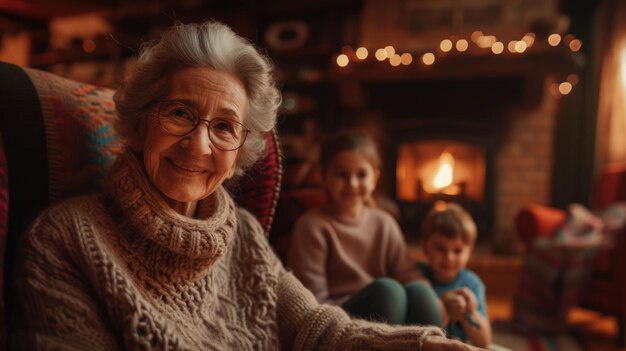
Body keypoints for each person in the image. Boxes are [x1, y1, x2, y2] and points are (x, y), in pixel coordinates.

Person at [9, 21, 485, 350]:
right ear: (138, 124)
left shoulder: (243, 233)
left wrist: (424, 345)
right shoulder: (65, 241)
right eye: (179, 113)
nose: (199, 146)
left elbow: (314, 328)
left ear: (240, 149)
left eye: (224, 127)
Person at [287, 130, 448, 328]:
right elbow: (310, 299)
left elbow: (406, 271)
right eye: (341, 175)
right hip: (337, 323)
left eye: (361, 174)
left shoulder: (384, 223)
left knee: (420, 291)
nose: (352, 183)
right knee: (389, 291)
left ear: (374, 178)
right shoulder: (312, 226)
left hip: (386, 316)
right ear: (323, 176)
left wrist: (433, 297)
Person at [418, 201, 492, 348]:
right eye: (440, 249)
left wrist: (468, 313)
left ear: (469, 252)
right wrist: (441, 305)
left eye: (457, 251)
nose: (449, 257)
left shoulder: (472, 284)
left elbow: (484, 341)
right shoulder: (416, 276)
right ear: (425, 248)